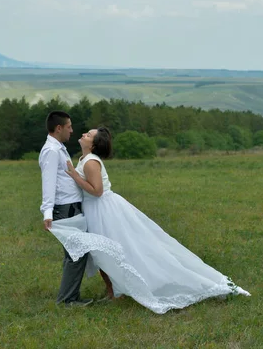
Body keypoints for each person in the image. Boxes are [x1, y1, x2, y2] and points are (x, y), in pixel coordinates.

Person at [59, 126, 250, 314]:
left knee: (110, 251)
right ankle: (113, 292)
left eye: (88, 134)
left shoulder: (91, 162)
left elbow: (97, 191)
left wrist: (75, 176)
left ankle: (121, 291)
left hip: (104, 210)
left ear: (93, 145)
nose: (83, 134)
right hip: (95, 210)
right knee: (103, 253)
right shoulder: (85, 158)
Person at [38, 111, 93, 307]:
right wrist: (48, 212)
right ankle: (67, 300)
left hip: (71, 207)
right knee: (76, 254)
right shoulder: (51, 151)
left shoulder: (59, 148)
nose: (72, 130)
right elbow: (49, 182)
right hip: (64, 208)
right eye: (69, 126)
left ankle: (71, 296)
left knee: (75, 253)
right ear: (59, 128)